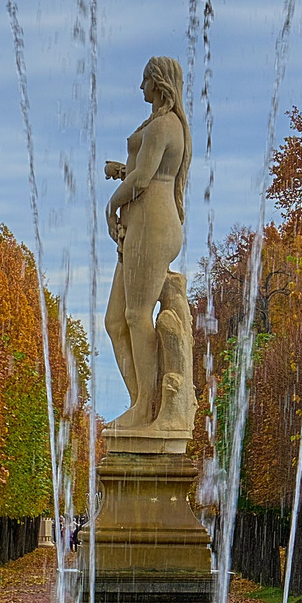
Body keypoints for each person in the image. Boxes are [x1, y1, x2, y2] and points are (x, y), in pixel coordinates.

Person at [102, 55, 195, 435]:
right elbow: (145, 172)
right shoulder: (160, 124)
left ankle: (145, 408)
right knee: (114, 320)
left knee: (137, 315)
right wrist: (122, 172)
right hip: (142, 223)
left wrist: (112, 204)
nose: (141, 88)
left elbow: (144, 180)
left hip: (153, 224)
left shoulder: (166, 125)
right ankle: (140, 400)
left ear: (159, 83)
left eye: (145, 81)